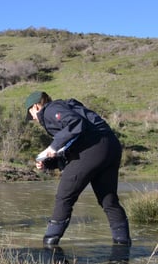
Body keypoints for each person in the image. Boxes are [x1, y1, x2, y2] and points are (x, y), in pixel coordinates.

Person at [25, 91, 131, 246]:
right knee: (108, 200)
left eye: (31, 115)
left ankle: (49, 246)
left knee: (64, 197)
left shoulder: (50, 110)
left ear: (35, 106)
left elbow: (75, 123)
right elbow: (73, 145)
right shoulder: (67, 106)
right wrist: (48, 163)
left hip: (93, 147)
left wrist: (53, 146)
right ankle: (123, 246)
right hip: (110, 146)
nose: (33, 119)